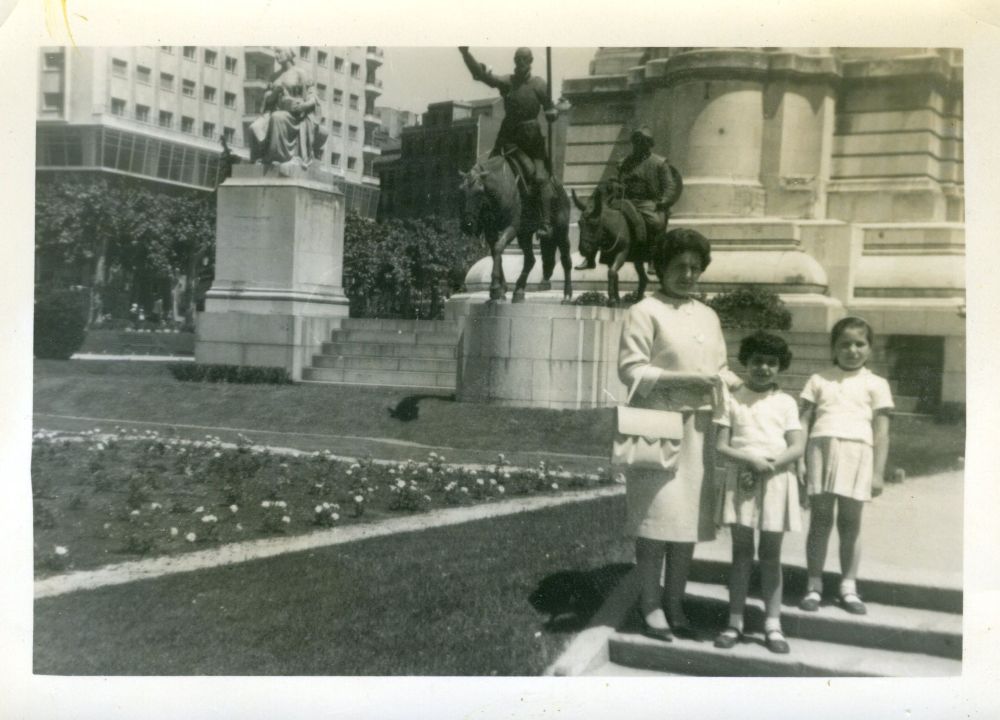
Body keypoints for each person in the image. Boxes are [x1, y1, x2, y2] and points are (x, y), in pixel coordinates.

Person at [618, 227, 740, 641]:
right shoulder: (645, 310)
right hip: (659, 428)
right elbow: (631, 370)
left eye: (695, 267)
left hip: (700, 428)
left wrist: (731, 381)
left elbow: (719, 366)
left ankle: (675, 603)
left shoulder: (708, 314)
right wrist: (683, 378)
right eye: (679, 267)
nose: (688, 275)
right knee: (656, 521)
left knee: (687, 524)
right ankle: (650, 604)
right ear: (660, 268)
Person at [713, 331, 806, 655]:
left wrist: (772, 463)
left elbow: (797, 445)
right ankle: (734, 622)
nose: (764, 368)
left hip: (776, 480)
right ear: (746, 363)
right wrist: (751, 459)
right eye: (757, 361)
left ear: (780, 367)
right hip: (742, 479)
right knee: (741, 554)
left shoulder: (785, 402)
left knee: (771, 555)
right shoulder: (733, 401)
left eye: (771, 363)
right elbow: (721, 445)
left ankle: (772, 624)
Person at [798, 316, 893, 616]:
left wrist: (878, 472)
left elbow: (882, 431)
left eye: (859, 344)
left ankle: (848, 586)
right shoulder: (819, 379)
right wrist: (799, 458)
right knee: (820, 520)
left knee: (850, 522)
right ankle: (814, 585)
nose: (852, 350)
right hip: (821, 450)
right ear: (833, 348)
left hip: (858, 453)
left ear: (870, 348)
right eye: (844, 344)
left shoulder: (876, 384)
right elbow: (802, 422)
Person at [458, 47, 558, 239]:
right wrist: (466, 54)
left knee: (539, 178)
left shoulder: (539, 85)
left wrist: (552, 113)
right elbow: (480, 75)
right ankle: (481, 220)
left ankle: (545, 223)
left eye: (523, 60)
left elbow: (550, 108)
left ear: (530, 62)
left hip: (531, 142)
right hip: (508, 139)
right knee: (485, 175)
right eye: (517, 59)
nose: (519, 63)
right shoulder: (507, 82)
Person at [248, 47, 328, 165]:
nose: (276, 56)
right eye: (275, 52)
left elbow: (313, 97)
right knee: (254, 127)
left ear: (289, 53)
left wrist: (303, 106)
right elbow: (267, 100)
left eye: (279, 52)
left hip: (295, 115)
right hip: (273, 111)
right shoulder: (274, 76)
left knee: (277, 118)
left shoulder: (300, 73)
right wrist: (274, 93)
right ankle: (257, 160)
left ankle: (276, 157)